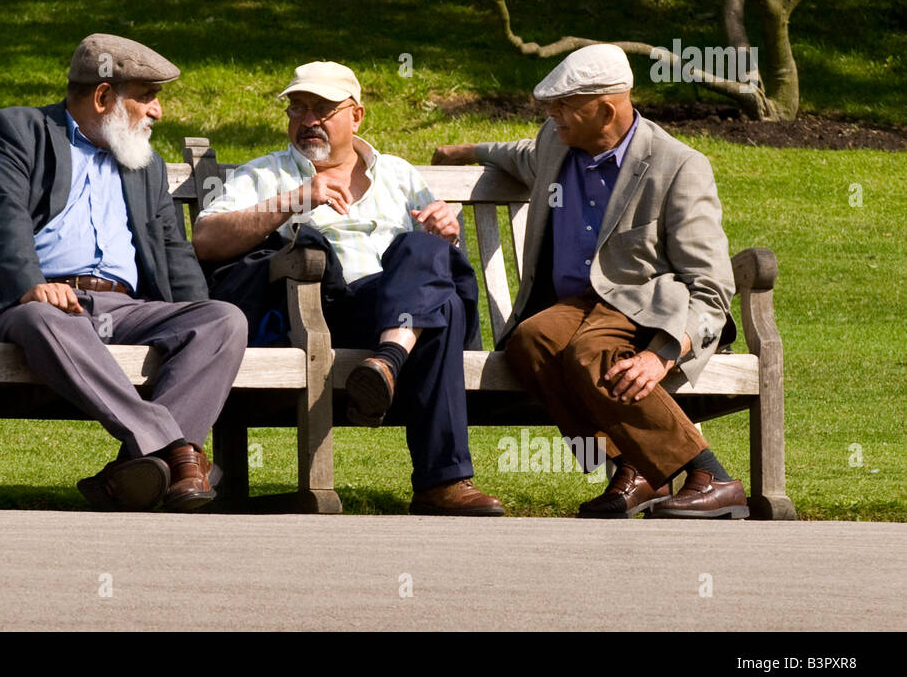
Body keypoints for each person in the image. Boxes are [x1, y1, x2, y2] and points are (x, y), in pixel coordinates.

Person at [0, 33, 248, 512]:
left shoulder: (146, 166)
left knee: (223, 319)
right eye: (147, 97)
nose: (158, 111)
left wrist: (193, 308)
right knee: (44, 319)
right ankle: (179, 450)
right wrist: (30, 286)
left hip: (125, 309)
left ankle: (136, 470)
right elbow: (2, 218)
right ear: (103, 97)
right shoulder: (19, 130)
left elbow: (173, 250)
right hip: (41, 305)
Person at [431, 43, 746, 519]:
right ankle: (636, 468)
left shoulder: (677, 166)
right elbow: (521, 155)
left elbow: (712, 284)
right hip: (581, 304)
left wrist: (662, 355)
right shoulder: (560, 142)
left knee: (588, 352)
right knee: (532, 339)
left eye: (563, 105)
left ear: (605, 109)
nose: (552, 115)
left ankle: (712, 476)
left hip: (650, 310)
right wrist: (464, 152)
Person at [193, 61, 504, 516]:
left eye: (322, 109)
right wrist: (296, 199)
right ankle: (443, 481)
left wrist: (446, 233)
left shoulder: (397, 174)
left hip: (393, 316)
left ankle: (387, 361)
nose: (307, 120)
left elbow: (428, 256)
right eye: (297, 109)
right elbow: (206, 241)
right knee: (445, 310)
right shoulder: (266, 174)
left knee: (426, 256)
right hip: (320, 313)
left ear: (356, 115)